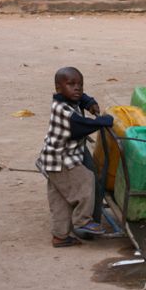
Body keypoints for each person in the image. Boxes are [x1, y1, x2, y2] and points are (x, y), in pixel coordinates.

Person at [36, 67, 114, 247]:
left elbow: (81, 97)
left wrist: (90, 102)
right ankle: (83, 220)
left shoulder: (70, 99)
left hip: (52, 159)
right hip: (61, 160)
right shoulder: (63, 110)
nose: (77, 88)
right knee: (86, 179)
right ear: (58, 88)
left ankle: (60, 236)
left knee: (60, 200)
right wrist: (104, 121)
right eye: (71, 84)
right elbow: (81, 126)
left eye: (80, 84)